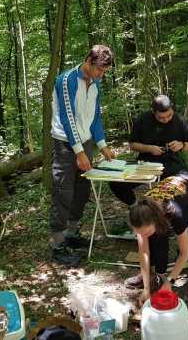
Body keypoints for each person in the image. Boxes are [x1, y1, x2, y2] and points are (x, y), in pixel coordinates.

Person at [50, 45, 116, 266]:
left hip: (85, 142)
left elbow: (95, 117)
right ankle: (57, 245)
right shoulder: (67, 80)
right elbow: (67, 118)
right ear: (88, 60)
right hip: (64, 143)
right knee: (63, 190)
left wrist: (102, 145)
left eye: (104, 71)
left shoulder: (96, 84)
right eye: (99, 69)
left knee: (81, 190)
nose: (101, 75)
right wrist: (78, 152)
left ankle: (72, 233)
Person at [125, 175, 188, 303]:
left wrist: (170, 282)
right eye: (138, 232)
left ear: (156, 220)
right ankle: (151, 277)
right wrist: (146, 289)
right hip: (176, 190)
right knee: (153, 235)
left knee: (160, 234)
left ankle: (160, 276)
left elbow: (184, 253)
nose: (142, 235)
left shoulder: (176, 215)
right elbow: (144, 252)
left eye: (146, 232)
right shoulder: (140, 213)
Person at [109, 95, 188, 206]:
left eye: (169, 116)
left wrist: (182, 145)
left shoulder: (180, 120)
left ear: (172, 109)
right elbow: (132, 144)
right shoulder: (142, 119)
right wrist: (149, 148)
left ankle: (169, 210)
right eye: (161, 117)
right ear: (153, 112)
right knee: (116, 183)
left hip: (172, 162)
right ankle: (135, 206)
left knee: (187, 183)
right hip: (146, 163)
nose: (166, 120)